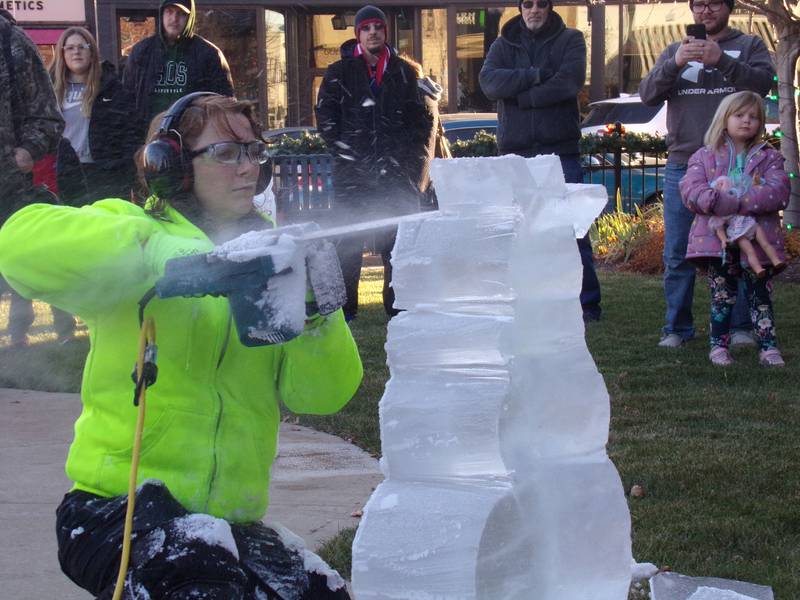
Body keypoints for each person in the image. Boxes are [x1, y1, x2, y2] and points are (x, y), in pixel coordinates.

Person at [0, 94, 362, 598]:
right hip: (115, 510)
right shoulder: (135, 231)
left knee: (321, 592)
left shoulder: (268, 259)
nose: (247, 168)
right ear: (170, 165)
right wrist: (169, 255)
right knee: (201, 582)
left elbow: (321, 397)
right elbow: (16, 245)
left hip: (227, 524)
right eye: (225, 153)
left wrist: (317, 314)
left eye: (253, 151)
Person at [638, 0, 774, 348]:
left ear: (727, 8)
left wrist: (721, 60)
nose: (705, 11)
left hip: (737, 165)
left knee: (739, 248)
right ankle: (676, 329)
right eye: (699, 5)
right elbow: (648, 95)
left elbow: (763, 85)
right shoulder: (675, 50)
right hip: (685, 164)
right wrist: (676, 62)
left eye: (714, 4)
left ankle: (741, 326)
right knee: (678, 252)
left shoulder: (748, 46)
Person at [478, 0, 602, 322]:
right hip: (515, 152)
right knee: (516, 233)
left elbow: (569, 82)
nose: (534, 10)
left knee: (572, 231)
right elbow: (490, 83)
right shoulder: (503, 44)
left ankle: (587, 304)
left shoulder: (571, 39)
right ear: (520, 8)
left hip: (560, 150)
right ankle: (527, 300)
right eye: (528, 4)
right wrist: (535, 75)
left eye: (541, 4)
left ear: (549, 7)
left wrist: (524, 97)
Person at [316, 5, 440, 321]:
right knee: (348, 243)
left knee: (396, 245)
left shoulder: (405, 72)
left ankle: (397, 306)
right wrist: (345, 153)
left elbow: (423, 123)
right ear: (358, 33)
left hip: (395, 175)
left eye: (378, 27)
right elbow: (326, 119)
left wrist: (411, 165)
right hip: (352, 175)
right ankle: (346, 310)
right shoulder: (339, 73)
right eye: (366, 27)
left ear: (386, 32)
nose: (373, 32)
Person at [679, 90, 789, 367]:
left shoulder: (769, 157)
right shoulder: (704, 156)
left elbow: (779, 191)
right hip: (718, 245)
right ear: (724, 119)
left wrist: (736, 201)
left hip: (756, 240)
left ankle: (768, 346)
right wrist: (716, 200)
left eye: (753, 117)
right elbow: (691, 190)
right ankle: (718, 346)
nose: (746, 121)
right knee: (722, 297)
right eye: (739, 115)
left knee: (760, 296)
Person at [0, 8, 64, 348]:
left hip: (7, 187)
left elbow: (48, 118)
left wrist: (25, 152)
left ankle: (23, 343)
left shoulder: (12, 42)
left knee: (23, 272)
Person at [51, 27, 140, 205]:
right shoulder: (49, 89)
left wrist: (123, 168)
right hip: (62, 172)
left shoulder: (112, 88)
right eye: (69, 48)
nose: (76, 51)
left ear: (92, 52)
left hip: (103, 174)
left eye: (82, 46)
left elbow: (130, 131)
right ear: (62, 53)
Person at [122, 0, 233, 127]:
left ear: (190, 17)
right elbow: (127, 99)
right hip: (148, 136)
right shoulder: (141, 51)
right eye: (169, 11)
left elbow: (225, 103)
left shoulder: (209, 54)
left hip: (194, 135)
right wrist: (132, 141)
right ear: (161, 14)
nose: (174, 18)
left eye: (181, 14)